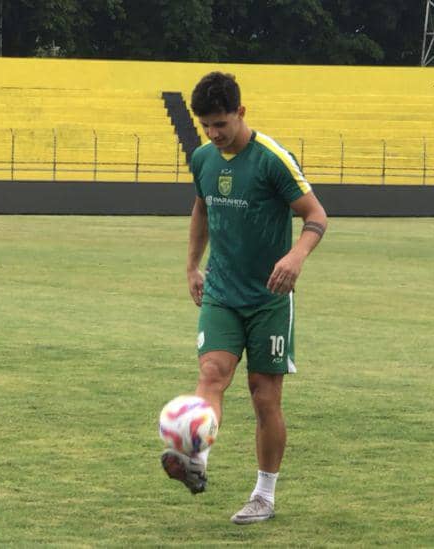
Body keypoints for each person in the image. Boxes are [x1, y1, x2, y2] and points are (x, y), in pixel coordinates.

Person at [161, 71, 328, 525]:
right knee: (212, 373)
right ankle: (196, 461)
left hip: (270, 298)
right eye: (207, 127)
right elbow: (202, 208)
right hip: (221, 291)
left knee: (263, 395)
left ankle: (264, 495)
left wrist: (295, 258)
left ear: (241, 112)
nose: (215, 134)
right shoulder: (203, 159)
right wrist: (193, 265)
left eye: (222, 124)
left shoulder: (273, 159)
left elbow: (316, 216)